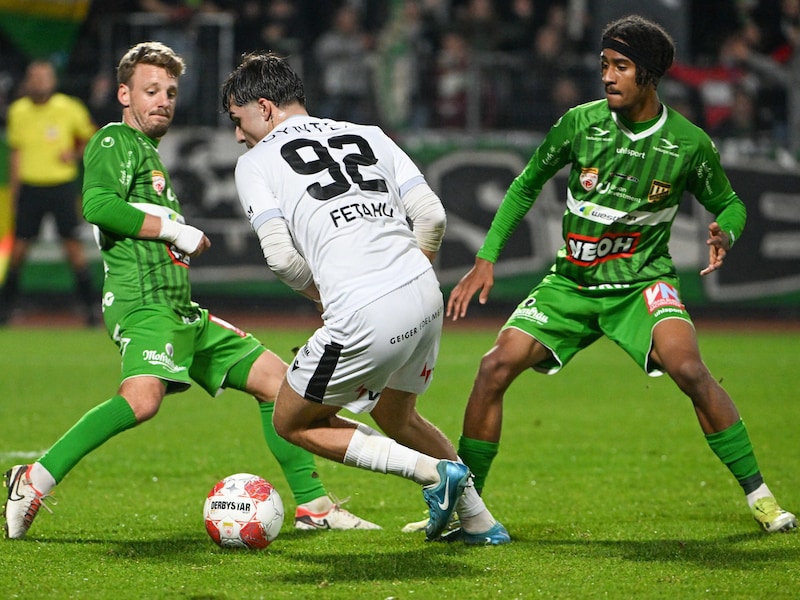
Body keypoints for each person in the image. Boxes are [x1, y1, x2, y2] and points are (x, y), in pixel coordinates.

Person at [2, 41, 381, 541]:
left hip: (182, 312)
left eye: (171, 92)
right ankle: (33, 479)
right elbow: (95, 204)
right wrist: (174, 231)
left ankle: (313, 505)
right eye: (150, 90)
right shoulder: (115, 141)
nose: (163, 100)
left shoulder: (149, 157)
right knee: (141, 400)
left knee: (277, 383)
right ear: (124, 94)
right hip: (144, 305)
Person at [447, 14, 797, 534]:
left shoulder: (687, 143)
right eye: (604, 65)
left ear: (650, 75)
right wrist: (487, 256)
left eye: (621, 66)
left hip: (640, 284)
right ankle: (465, 512)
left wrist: (726, 230)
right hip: (572, 284)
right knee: (494, 366)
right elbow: (524, 185)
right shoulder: (578, 123)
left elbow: (730, 202)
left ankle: (761, 497)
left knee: (689, 369)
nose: (607, 76)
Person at [221, 51, 509, 545]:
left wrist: (323, 296)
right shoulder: (370, 134)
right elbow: (433, 218)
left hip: (362, 309)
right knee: (397, 415)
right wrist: (410, 271)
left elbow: (281, 260)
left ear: (264, 108)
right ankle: (481, 522)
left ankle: (433, 474)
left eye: (237, 119)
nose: (237, 134)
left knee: (292, 420)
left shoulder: (255, 162)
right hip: (424, 293)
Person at [1, 60, 98, 325]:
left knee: (73, 249)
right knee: (18, 250)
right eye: (35, 77)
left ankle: (90, 311)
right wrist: (15, 193)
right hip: (31, 188)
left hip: (60, 187)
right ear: (28, 81)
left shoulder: (69, 108)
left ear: (53, 81)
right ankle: (4, 312)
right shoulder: (18, 111)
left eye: (44, 77)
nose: (39, 82)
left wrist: (75, 152)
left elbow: (93, 136)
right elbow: (16, 154)